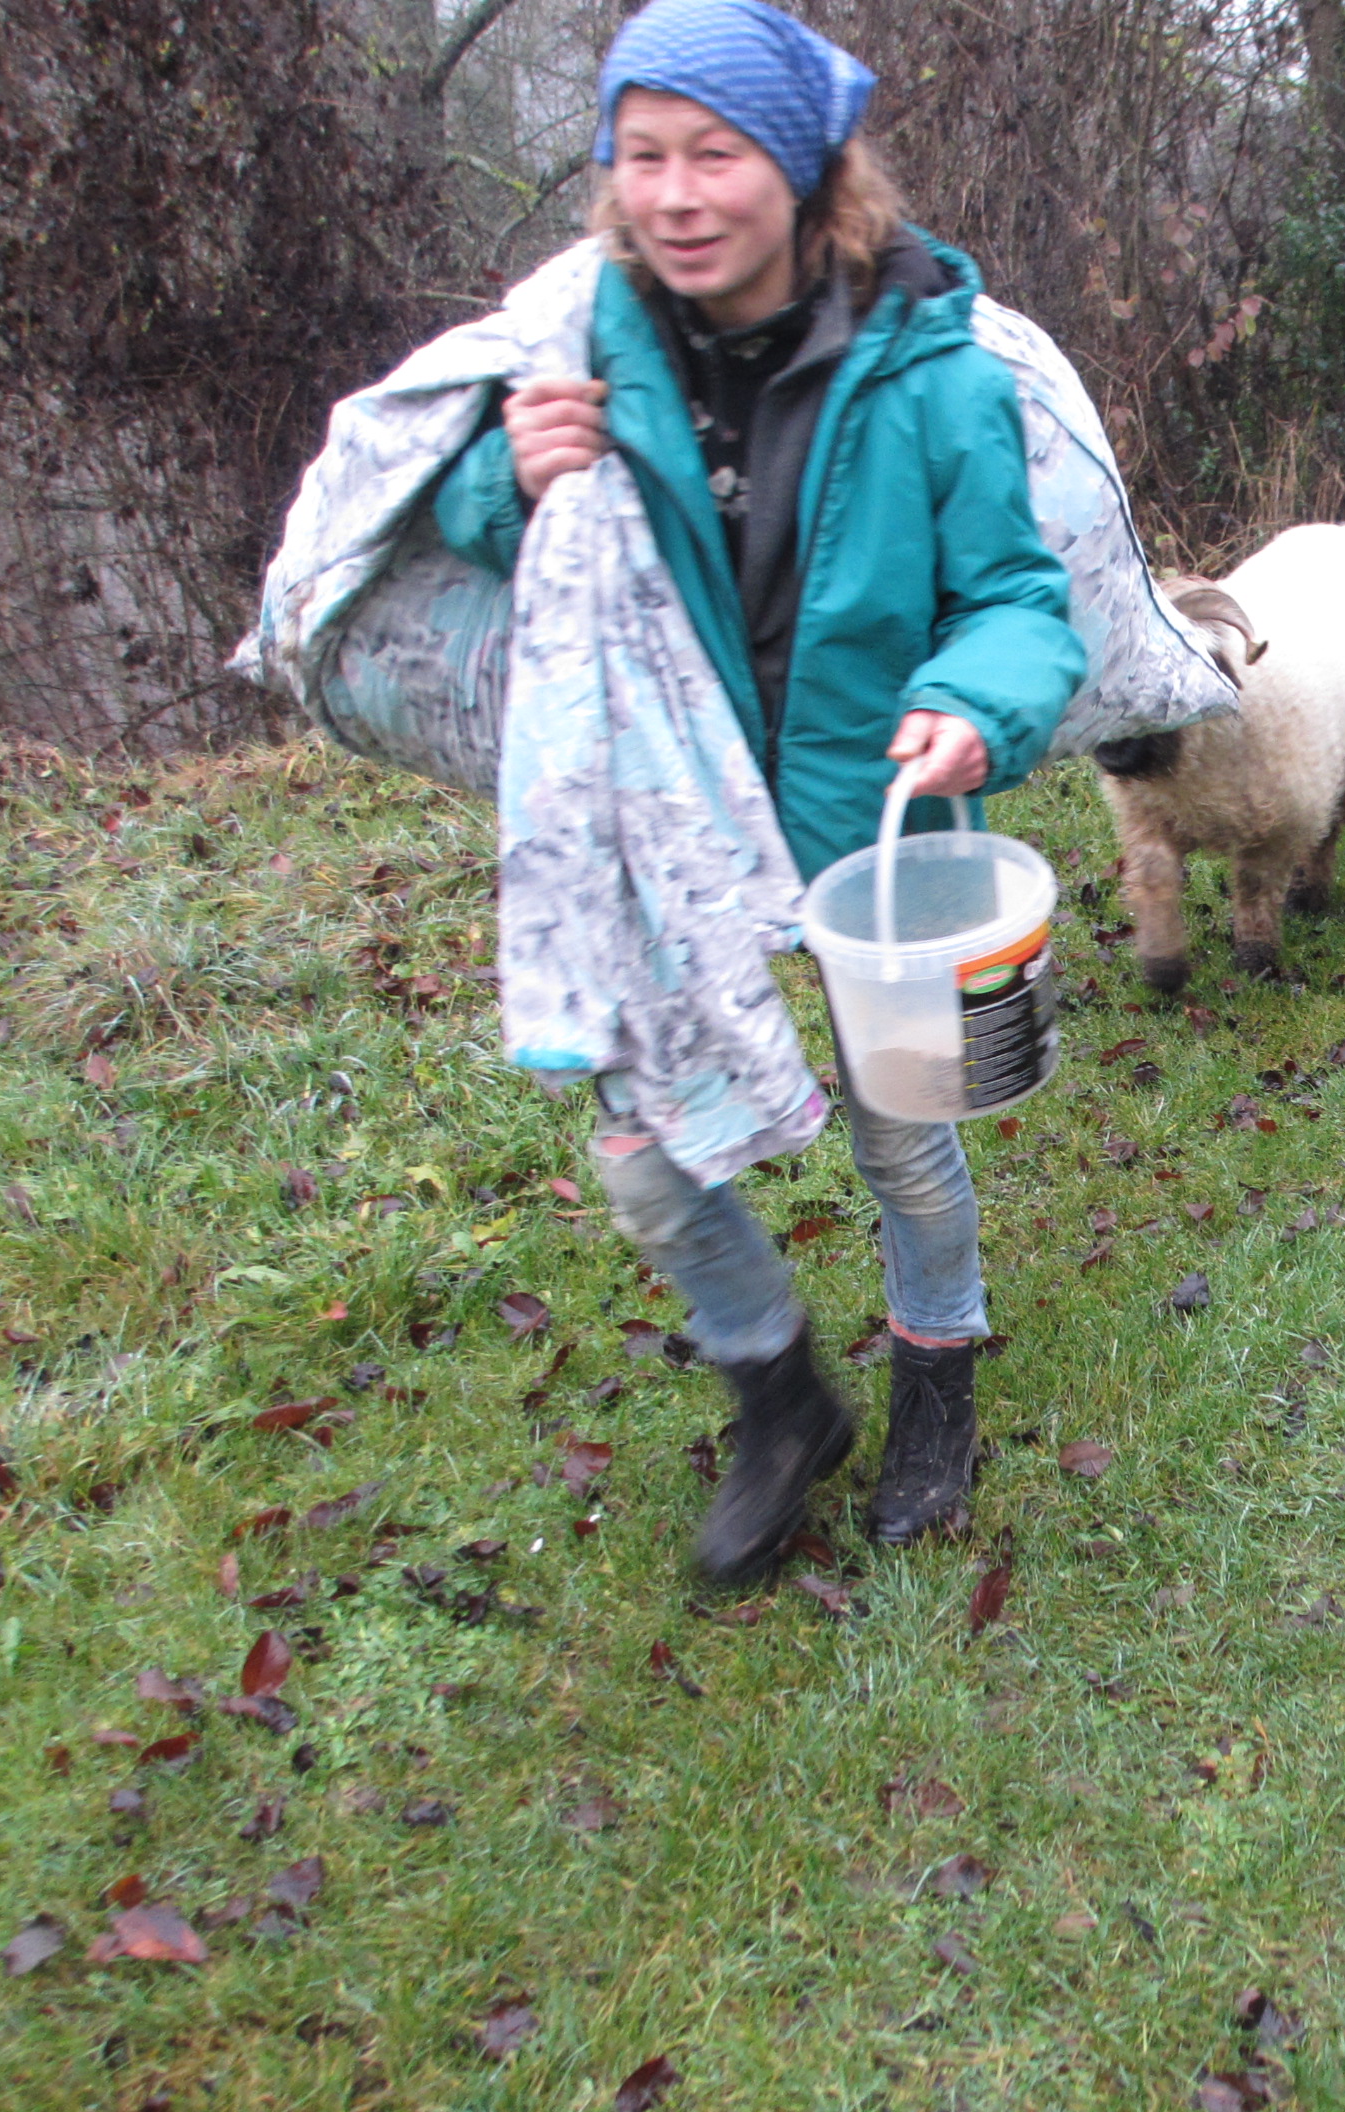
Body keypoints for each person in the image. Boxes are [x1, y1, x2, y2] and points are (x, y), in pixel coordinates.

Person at [427, 0, 1086, 1581]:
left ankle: (939, 1360)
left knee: (905, 1131)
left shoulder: (929, 367)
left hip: (880, 826)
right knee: (647, 1160)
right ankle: (778, 1391)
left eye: (712, 153)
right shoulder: (581, 341)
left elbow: (1016, 599)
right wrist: (504, 476)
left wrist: (970, 703)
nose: (674, 193)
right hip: (659, 844)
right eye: (640, 155)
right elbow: (464, 521)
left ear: (800, 172)